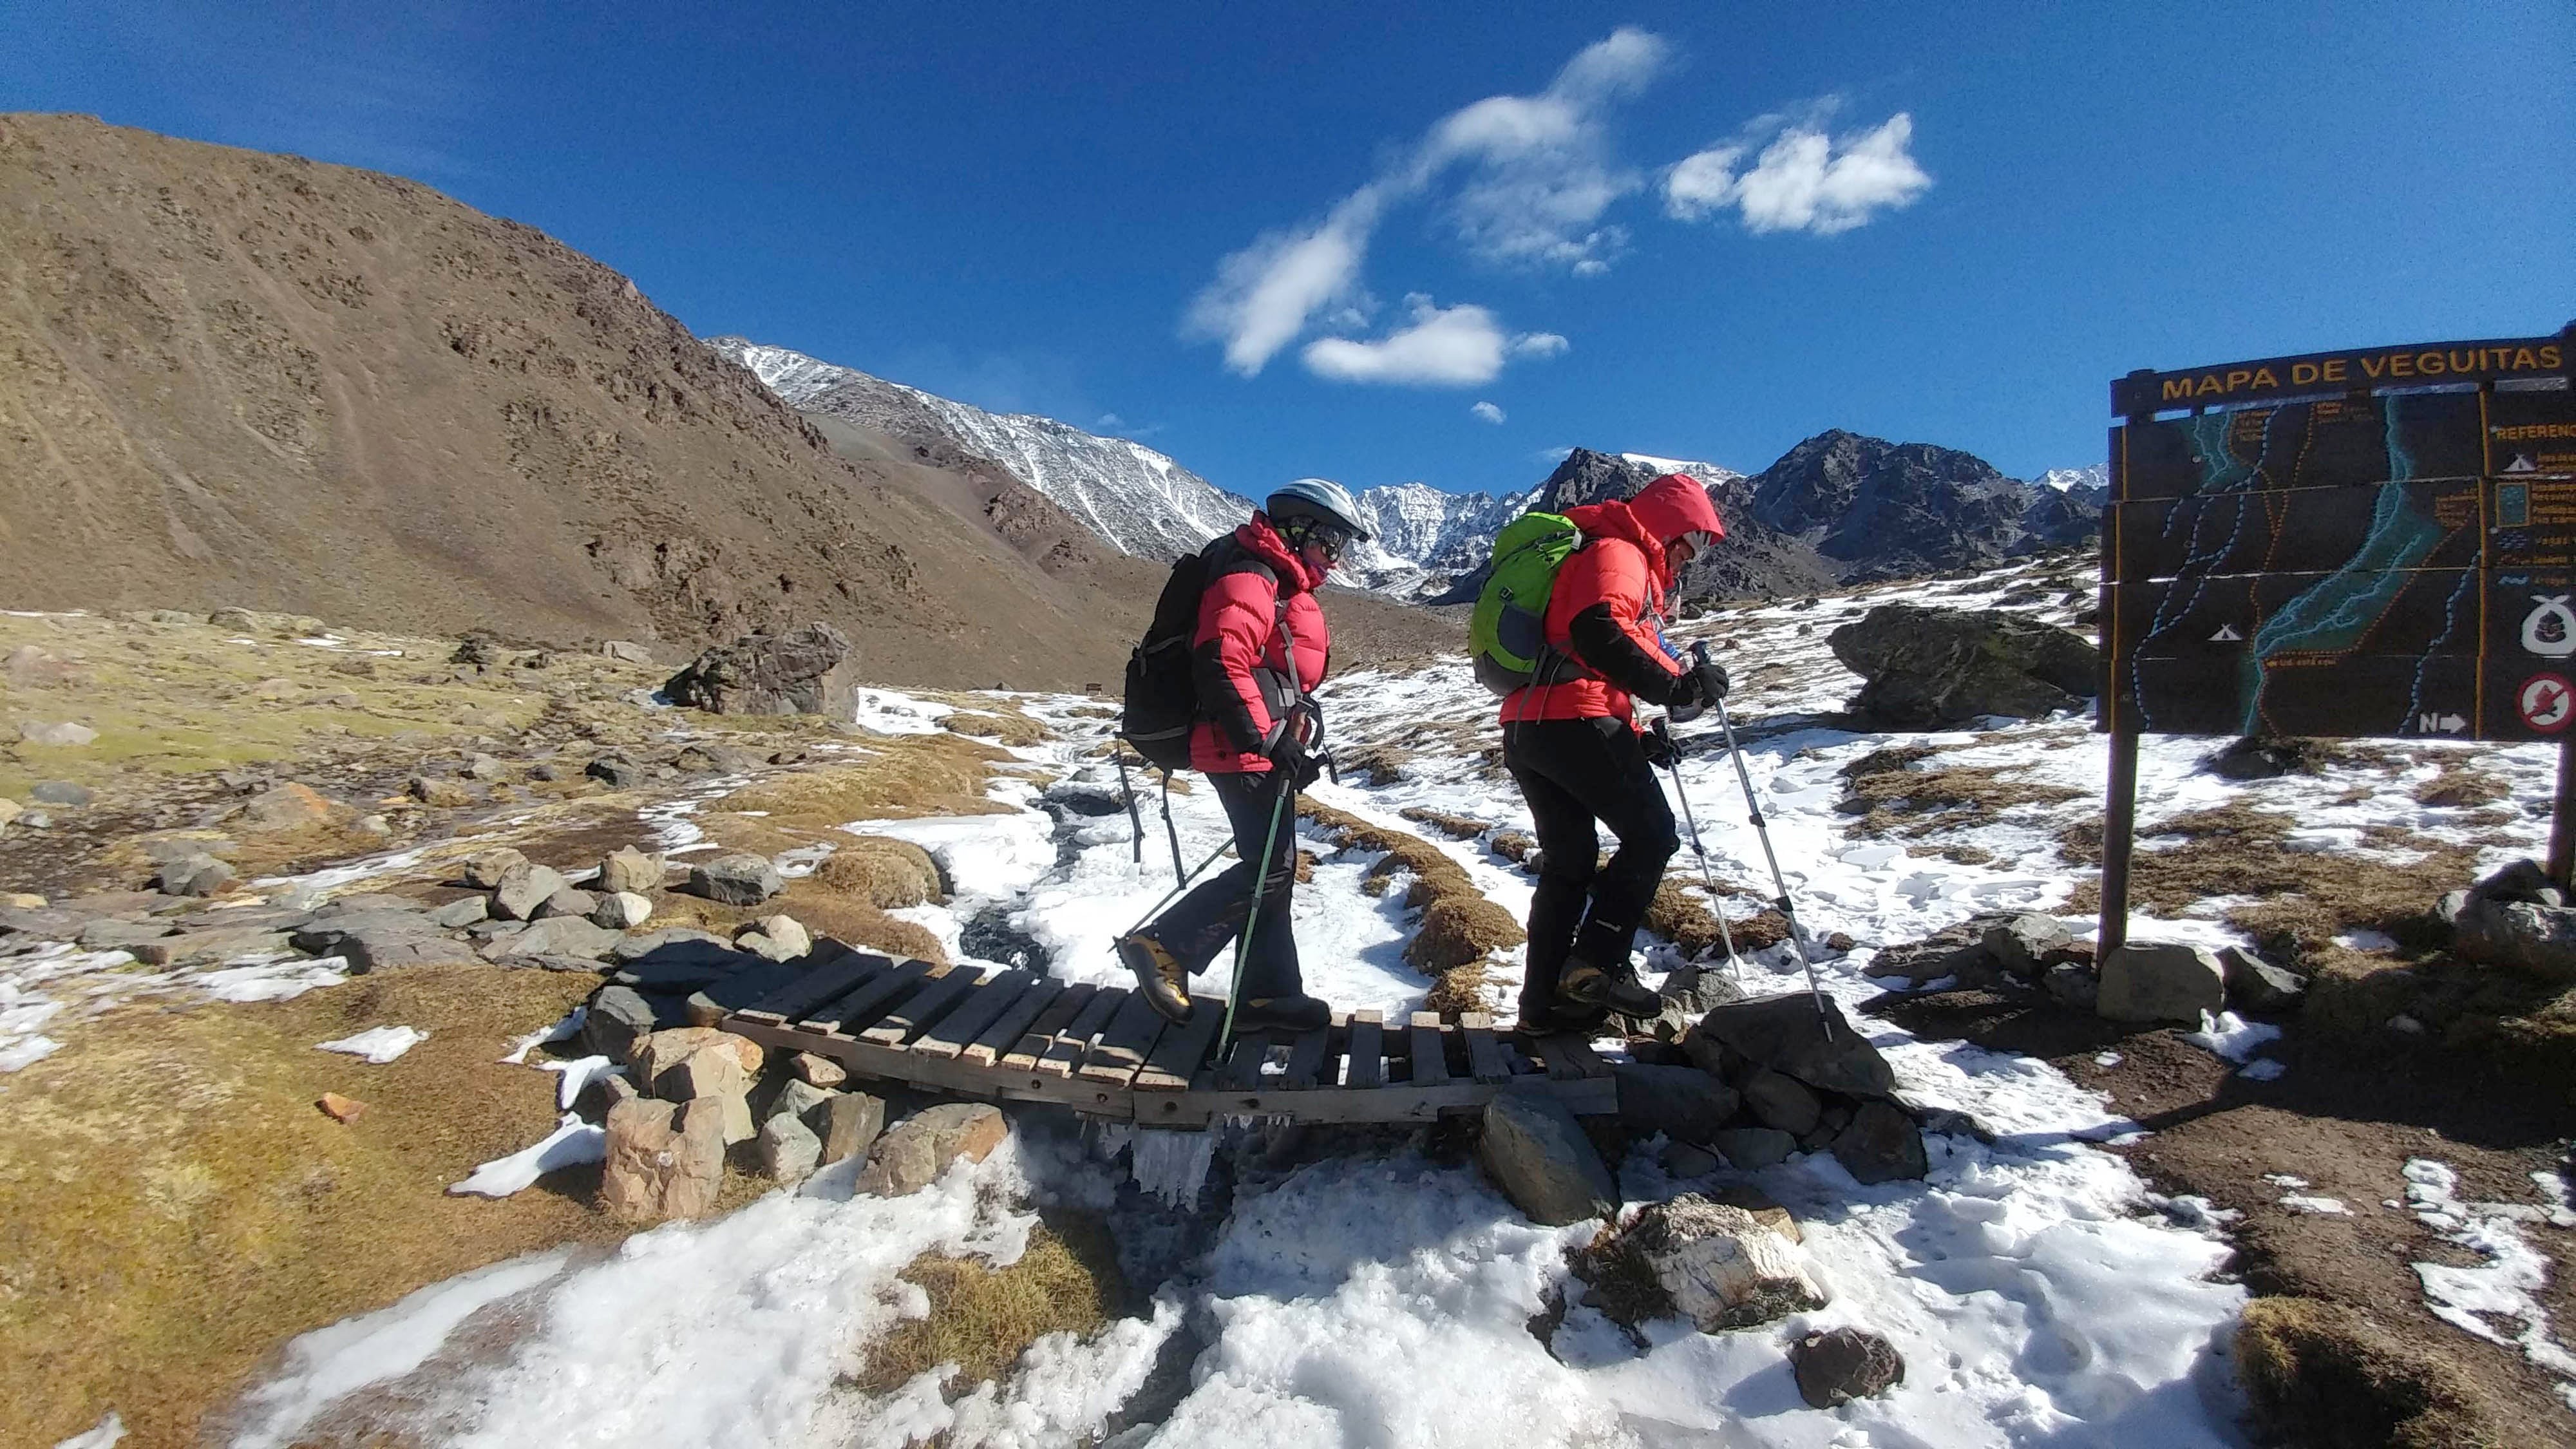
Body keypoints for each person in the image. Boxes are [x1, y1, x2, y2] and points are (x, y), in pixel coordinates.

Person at [1116, 478, 1371, 1034]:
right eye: (1331, 540)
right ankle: (1164, 945)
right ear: (1298, 528)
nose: (1336, 554)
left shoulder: (1275, 576)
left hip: (1253, 743)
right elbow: (1221, 659)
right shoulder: (1251, 573)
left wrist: (1283, 737)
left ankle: (1268, 998)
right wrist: (1268, 740)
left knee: (1271, 871)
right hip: (1238, 745)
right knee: (1272, 870)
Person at [1500, 473, 1732, 1035]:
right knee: (1653, 835)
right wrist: (1677, 690)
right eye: (1696, 542)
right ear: (1673, 528)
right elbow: (1597, 632)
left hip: (1533, 727)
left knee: (1570, 863)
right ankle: (1595, 966)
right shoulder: (1621, 551)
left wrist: (1635, 736)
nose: (1692, 558)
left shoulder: (1607, 550)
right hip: (1574, 719)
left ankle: (1546, 1007)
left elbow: (1595, 653)